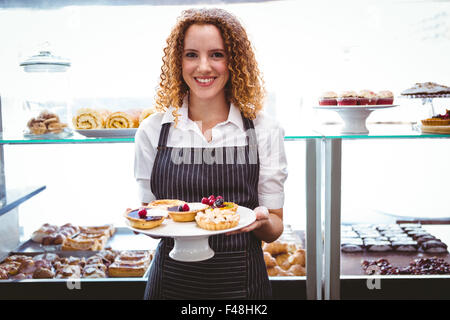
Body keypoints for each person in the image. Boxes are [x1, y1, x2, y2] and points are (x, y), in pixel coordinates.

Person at [134, 8, 288, 300]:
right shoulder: (153, 130)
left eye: (217, 54)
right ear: (178, 61)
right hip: (171, 283)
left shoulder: (264, 129)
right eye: (191, 54)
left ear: (235, 61)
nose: (203, 66)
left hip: (244, 284)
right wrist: (143, 221)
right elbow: (152, 219)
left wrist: (263, 220)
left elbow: (275, 228)